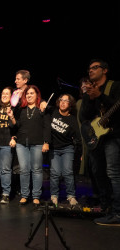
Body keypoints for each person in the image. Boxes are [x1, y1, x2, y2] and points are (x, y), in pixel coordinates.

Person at [80, 59, 120, 226]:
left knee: (113, 173)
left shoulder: (115, 86)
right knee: (98, 173)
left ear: (105, 70)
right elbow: (84, 117)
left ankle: (118, 213)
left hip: (112, 136)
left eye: (94, 68)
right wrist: (90, 98)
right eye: (89, 68)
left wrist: (101, 96)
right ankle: (106, 208)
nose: (90, 71)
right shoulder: (88, 91)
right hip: (96, 139)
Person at [12, 85, 51, 206]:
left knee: (37, 169)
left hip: (38, 143)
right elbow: (16, 125)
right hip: (22, 143)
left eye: (32, 93)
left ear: (37, 95)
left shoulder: (42, 108)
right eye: (27, 94)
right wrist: (12, 117)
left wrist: (46, 142)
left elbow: (47, 126)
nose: (29, 95)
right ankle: (24, 195)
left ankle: (36, 196)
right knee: (24, 170)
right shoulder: (21, 109)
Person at [49, 94, 82, 206]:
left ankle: (71, 196)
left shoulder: (72, 119)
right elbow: (44, 106)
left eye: (66, 101)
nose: (63, 102)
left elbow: (78, 137)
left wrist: (80, 153)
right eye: (61, 100)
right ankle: (54, 196)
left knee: (68, 172)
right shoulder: (53, 112)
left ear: (70, 104)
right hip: (54, 149)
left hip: (67, 148)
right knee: (55, 173)